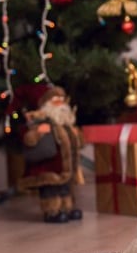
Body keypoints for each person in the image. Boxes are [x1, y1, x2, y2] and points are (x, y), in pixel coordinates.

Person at [16, 84, 85, 223]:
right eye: (55, 98)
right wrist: (38, 132)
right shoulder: (41, 122)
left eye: (61, 98)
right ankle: (52, 211)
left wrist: (77, 135)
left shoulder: (67, 123)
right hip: (51, 167)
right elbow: (29, 139)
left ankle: (67, 208)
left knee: (66, 189)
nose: (59, 101)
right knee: (51, 191)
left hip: (67, 167)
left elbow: (80, 143)